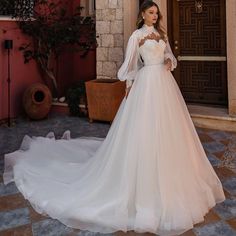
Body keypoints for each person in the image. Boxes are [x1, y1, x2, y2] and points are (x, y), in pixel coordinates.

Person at [3, 1, 225, 235]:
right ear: (142, 14)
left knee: (169, 130)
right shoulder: (136, 37)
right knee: (143, 131)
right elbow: (127, 67)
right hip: (146, 84)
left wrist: (169, 61)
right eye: (151, 12)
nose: (154, 16)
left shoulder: (162, 35)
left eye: (156, 13)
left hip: (165, 85)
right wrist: (130, 84)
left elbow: (171, 57)